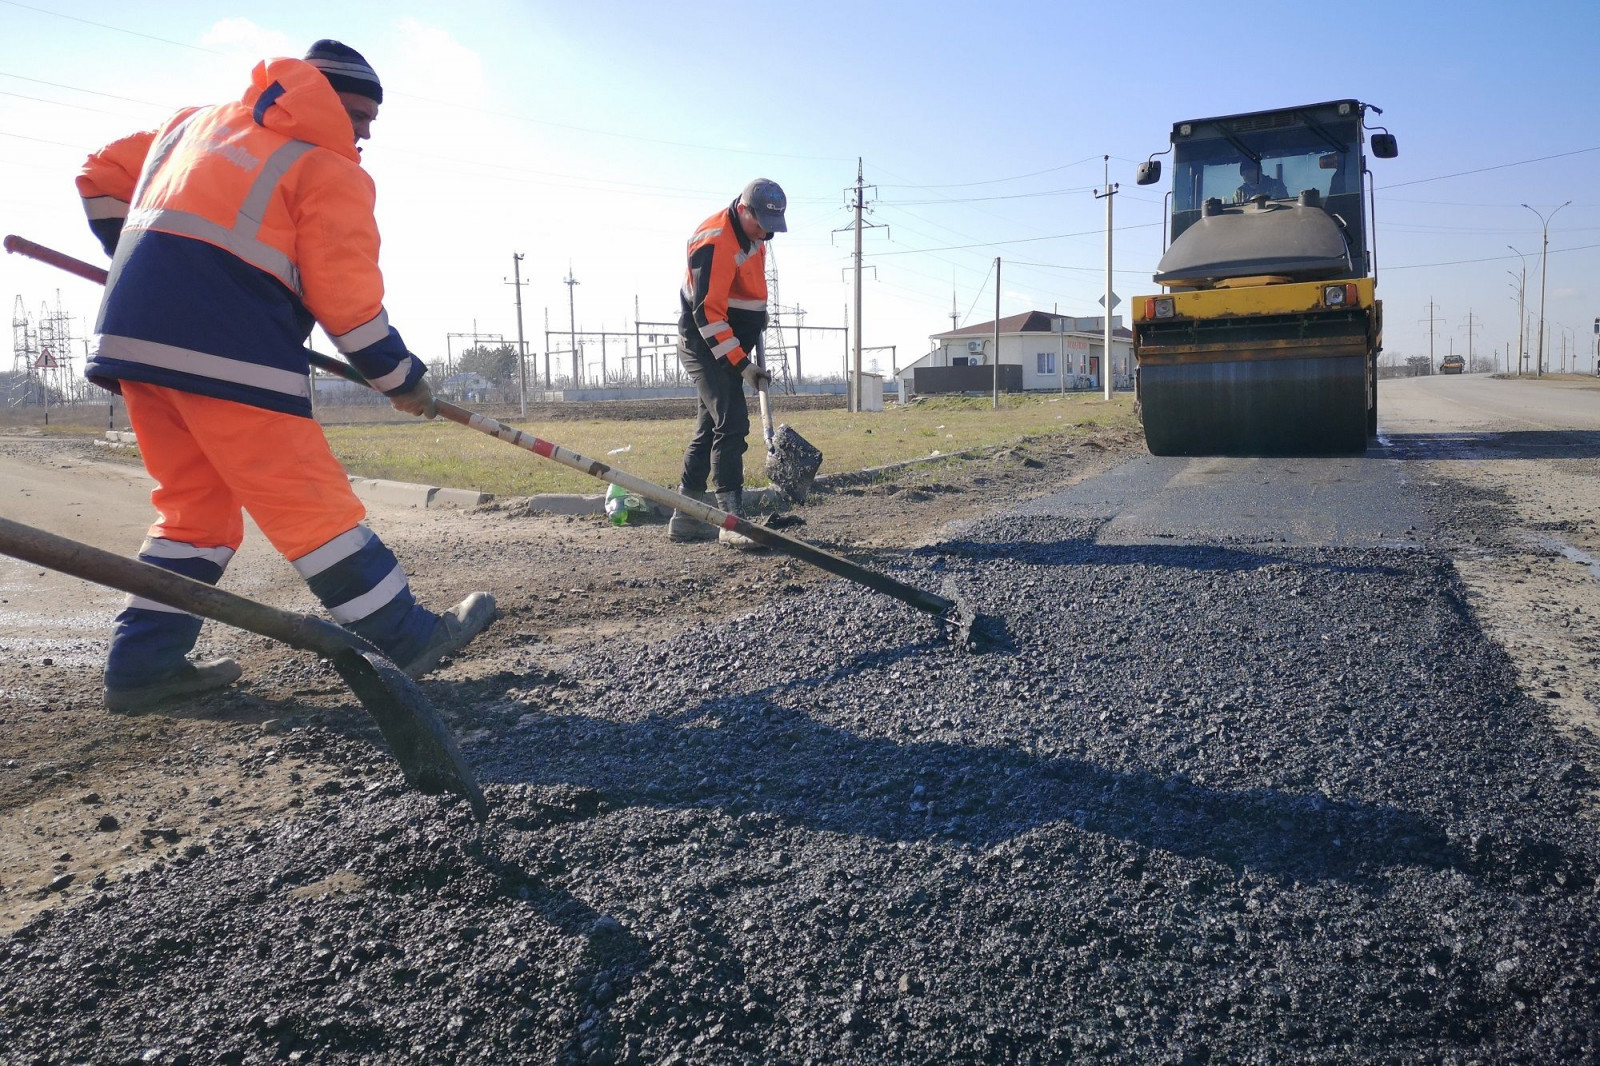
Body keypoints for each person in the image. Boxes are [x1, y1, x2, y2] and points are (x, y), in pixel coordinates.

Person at [74, 40, 495, 713]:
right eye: (359, 115)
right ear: (325, 99)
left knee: (195, 512)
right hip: (228, 353)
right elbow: (350, 311)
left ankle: (143, 665)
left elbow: (98, 175)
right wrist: (403, 379)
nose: (363, 133)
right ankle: (406, 635)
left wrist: (146, 265)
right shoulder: (328, 169)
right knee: (310, 502)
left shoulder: (195, 125)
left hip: (136, 345)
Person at [668, 179, 784, 549]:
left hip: (731, 338)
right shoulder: (714, 240)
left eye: (772, 224)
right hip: (706, 342)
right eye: (761, 222)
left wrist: (758, 314)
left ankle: (686, 517)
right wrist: (743, 366)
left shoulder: (756, 235)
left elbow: (744, 288)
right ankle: (731, 522)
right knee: (732, 421)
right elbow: (709, 315)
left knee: (711, 426)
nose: (766, 232)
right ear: (744, 210)